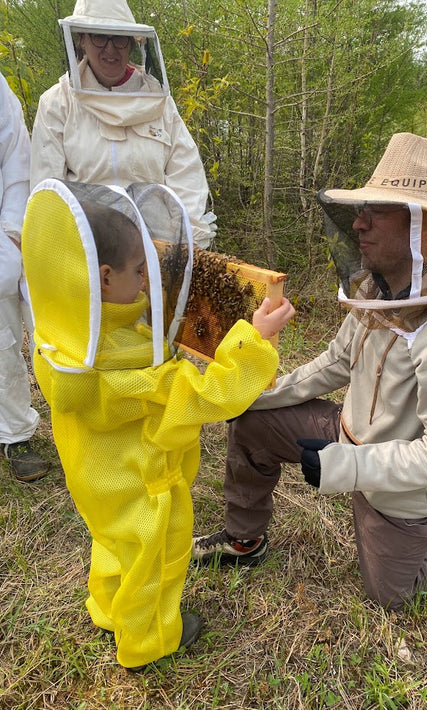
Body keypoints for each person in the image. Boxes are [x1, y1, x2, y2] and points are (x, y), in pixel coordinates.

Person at [192, 132, 427, 611]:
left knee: (394, 595)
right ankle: (244, 542)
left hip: (401, 491)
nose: (359, 224)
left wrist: (345, 467)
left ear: (424, 225)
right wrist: (248, 395)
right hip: (346, 434)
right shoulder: (377, 290)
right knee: (251, 422)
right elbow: (336, 363)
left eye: (377, 210)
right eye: (361, 209)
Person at [21, 179, 294, 669]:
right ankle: (148, 641)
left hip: (96, 484)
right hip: (141, 485)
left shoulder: (61, 339)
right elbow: (211, 395)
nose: (147, 282)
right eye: (139, 272)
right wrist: (255, 340)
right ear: (103, 277)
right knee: (156, 559)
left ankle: (107, 609)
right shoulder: (133, 367)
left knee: (112, 543)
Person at [30, 0, 216, 248]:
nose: (110, 49)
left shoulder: (159, 102)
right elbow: (47, 189)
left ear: (131, 43)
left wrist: (186, 242)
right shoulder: (57, 103)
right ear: (81, 40)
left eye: (119, 38)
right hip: (85, 248)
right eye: (99, 37)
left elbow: (186, 176)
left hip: (157, 248)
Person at [0, 72, 48, 482]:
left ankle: (78, 420)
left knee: (50, 332)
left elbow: (18, 159)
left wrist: (13, 231)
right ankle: (16, 434)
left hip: (15, 233)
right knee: (0, 346)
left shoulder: (0, 91)